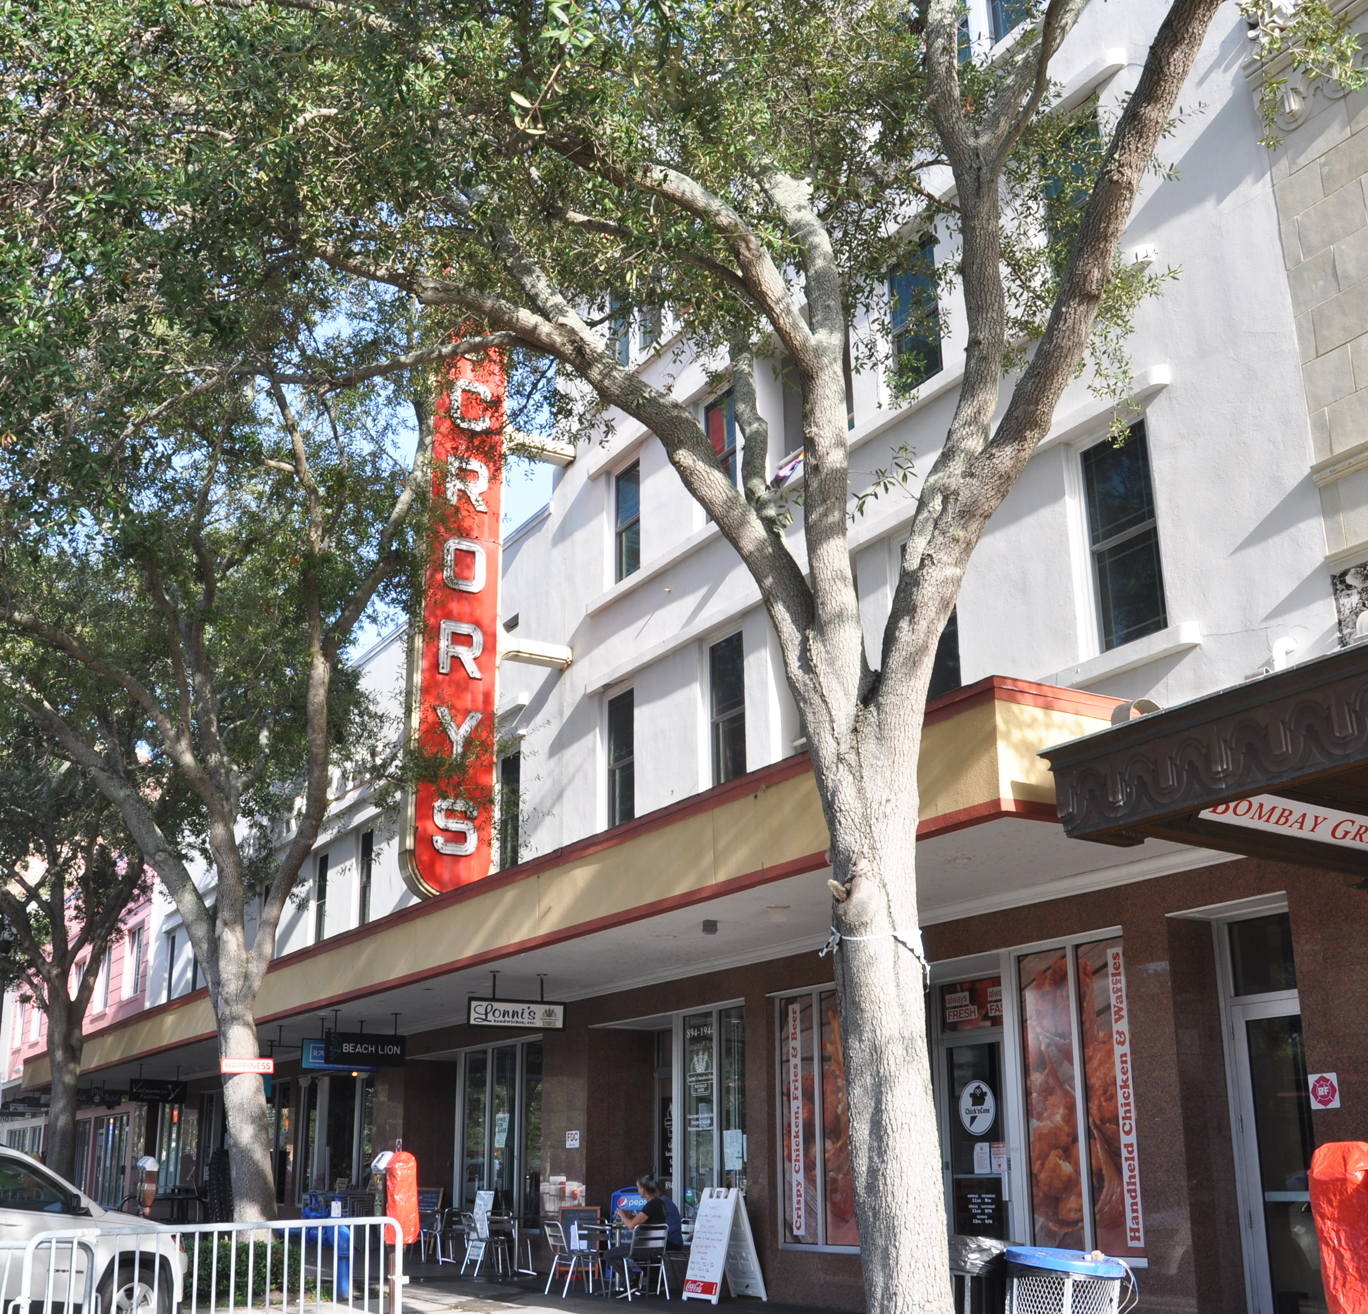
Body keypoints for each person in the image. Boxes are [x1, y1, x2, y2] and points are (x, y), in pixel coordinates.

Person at [612, 1174, 683, 1252]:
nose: (638, 1190)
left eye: (638, 1187)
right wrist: (631, 1217)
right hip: (666, 1242)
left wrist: (622, 1215)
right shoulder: (661, 1202)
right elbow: (648, 1221)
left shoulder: (655, 1204)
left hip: (663, 1243)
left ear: (643, 1190)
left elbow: (631, 1225)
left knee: (610, 1254)